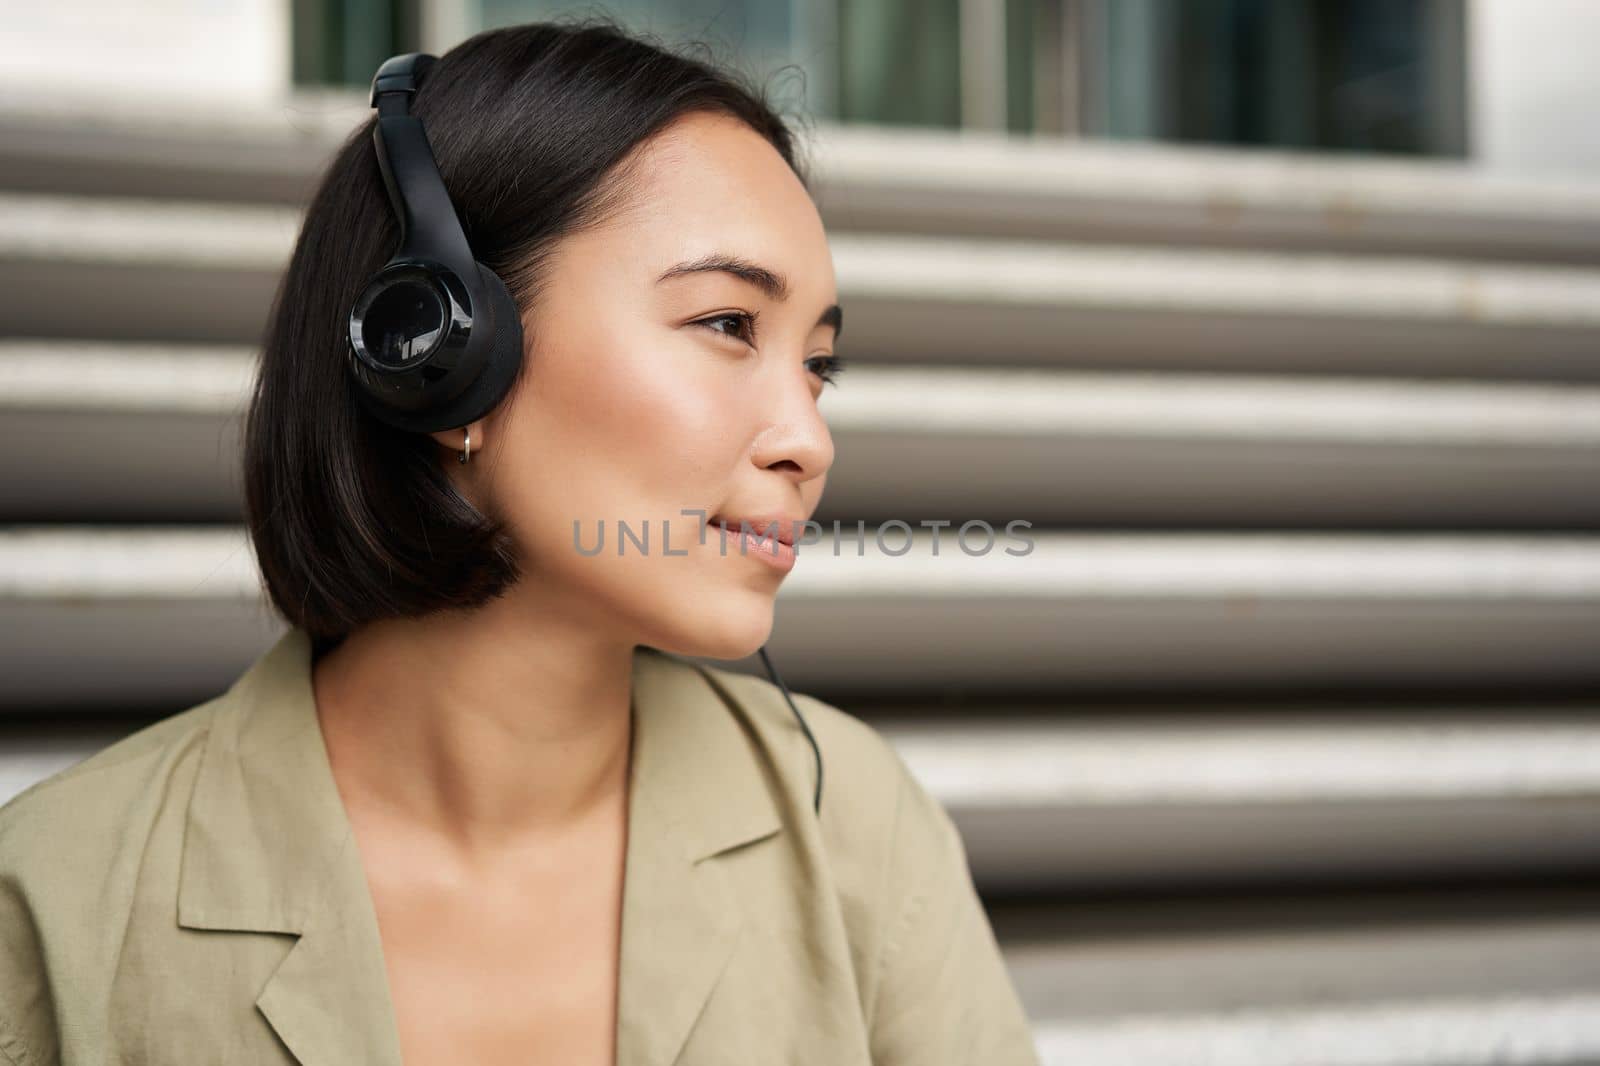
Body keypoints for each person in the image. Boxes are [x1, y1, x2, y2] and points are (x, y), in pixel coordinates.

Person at [0, 19, 1041, 1066]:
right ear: (443, 351)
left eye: (819, 366)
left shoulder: (856, 828)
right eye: (728, 324)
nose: (808, 439)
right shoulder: (58, 895)